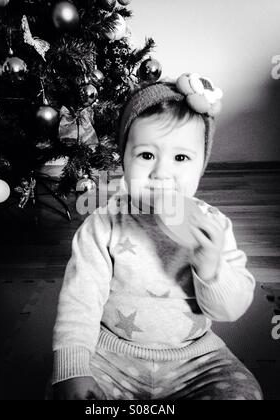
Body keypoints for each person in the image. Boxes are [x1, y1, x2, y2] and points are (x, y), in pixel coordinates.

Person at [52, 73, 263, 401]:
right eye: (146, 155)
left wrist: (211, 267)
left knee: (244, 393)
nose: (162, 172)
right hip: (110, 357)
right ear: (124, 160)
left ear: (201, 167)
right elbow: (78, 302)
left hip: (196, 359)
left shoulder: (214, 227)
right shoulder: (101, 226)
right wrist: (73, 368)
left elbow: (229, 311)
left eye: (181, 158)